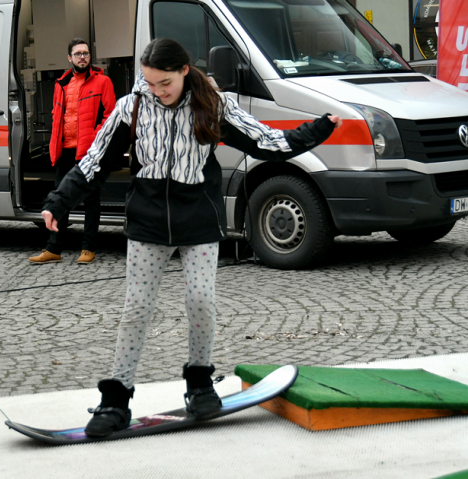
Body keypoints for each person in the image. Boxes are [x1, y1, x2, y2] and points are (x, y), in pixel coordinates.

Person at [41, 38, 343, 437]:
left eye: (164, 82)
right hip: (148, 220)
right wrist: (57, 203)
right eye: (150, 83)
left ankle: (199, 383)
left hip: (198, 217)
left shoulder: (211, 104)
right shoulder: (132, 107)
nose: (157, 91)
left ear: (184, 71)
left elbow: (266, 141)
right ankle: (116, 399)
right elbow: (95, 160)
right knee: (137, 309)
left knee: (200, 301)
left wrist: (318, 128)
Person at [29, 38, 116, 265]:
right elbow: (58, 117)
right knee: (61, 198)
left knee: (91, 200)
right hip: (65, 149)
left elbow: (111, 115)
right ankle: (53, 249)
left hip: (89, 151)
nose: (82, 57)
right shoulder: (62, 84)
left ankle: (88, 248)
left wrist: (97, 137)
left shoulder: (103, 82)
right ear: (70, 58)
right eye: (77, 54)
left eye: (85, 53)